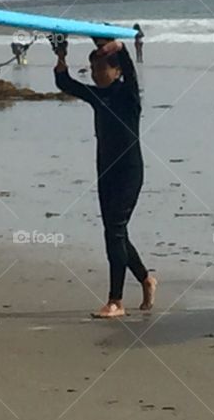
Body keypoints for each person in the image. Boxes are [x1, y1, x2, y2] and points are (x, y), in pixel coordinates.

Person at [52, 35, 156, 318]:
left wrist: (119, 49)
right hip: (105, 171)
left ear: (117, 70)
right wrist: (61, 56)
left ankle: (116, 301)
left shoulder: (129, 95)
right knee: (115, 232)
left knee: (115, 231)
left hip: (129, 172)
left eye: (102, 68)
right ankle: (146, 278)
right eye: (94, 69)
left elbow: (131, 71)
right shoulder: (97, 96)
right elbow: (65, 84)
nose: (97, 74)